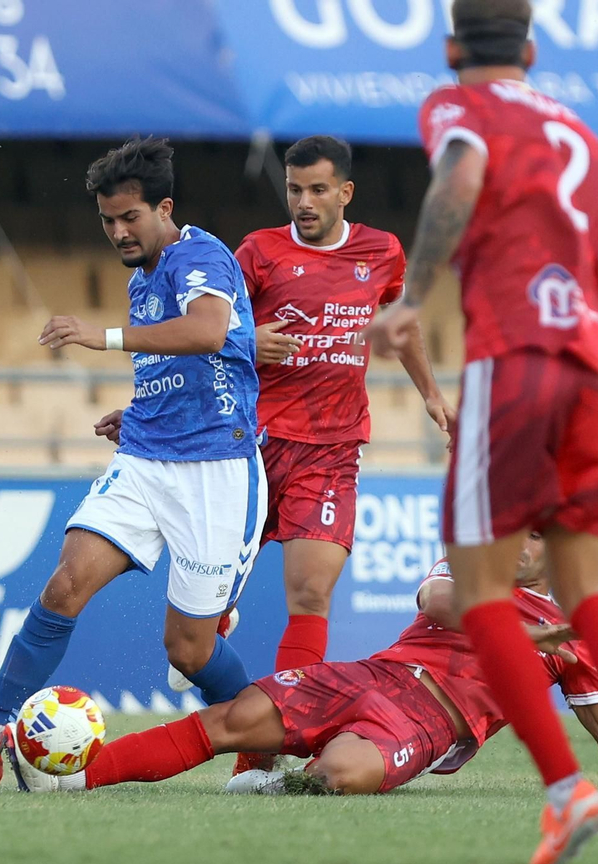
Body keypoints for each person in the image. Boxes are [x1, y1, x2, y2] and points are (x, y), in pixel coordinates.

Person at [362, 0, 598, 864]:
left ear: (451, 47)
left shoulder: (455, 106)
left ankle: (566, 789)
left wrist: (413, 301)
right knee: (588, 590)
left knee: (485, 589)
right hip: (595, 375)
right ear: (535, 49)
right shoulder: (582, 137)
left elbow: (459, 180)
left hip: (513, 366)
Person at [0, 137, 266, 791]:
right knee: (64, 585)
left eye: (129, 218)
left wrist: (98, 335)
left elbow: (205, 333)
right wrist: (139, 408)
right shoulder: (142, 277)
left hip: (217, 472)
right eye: (107, 221)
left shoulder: (201, 255)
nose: (117, 232)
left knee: (189, 650)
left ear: (163, 207)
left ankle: (260, 740)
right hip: (145, 460)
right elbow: (179, 364)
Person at [6, 535, 598, 808]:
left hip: (425, 721)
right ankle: (70, 778)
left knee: (342, 775)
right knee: (227, 722)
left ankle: (286, 779)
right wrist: (538, 632)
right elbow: (438, 599)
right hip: (373, 675)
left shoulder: (576, 639)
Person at [230, 136, 453, 774]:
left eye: (317, 190)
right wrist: (248, 339)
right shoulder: (259, 251)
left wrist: (433, 395)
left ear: (344, 192)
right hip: (251, 447)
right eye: (295, 190)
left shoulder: (380, 251)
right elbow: (212, 330)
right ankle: (214, 624)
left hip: (330, 449)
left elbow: (401, 323)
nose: (303, 202)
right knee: (204, 613)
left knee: (308, 594)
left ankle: (262, 756)